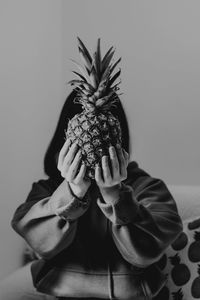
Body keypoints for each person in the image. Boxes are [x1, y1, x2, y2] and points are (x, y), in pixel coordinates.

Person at [0, 90, 183, 300]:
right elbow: (40, 245)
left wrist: (115, 195)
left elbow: (146, 253)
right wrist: (72, 193)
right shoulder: (47, 189)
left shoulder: (147, 187)